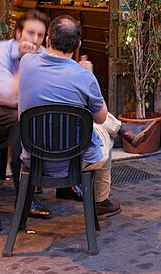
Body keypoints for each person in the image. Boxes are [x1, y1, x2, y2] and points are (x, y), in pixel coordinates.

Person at [17, 15, 122, 219]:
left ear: (47, 41)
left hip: (33, 158)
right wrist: (90, 74)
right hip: (74, 161)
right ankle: (100, 202)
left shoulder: (27, 63)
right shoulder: (85, 77)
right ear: (79, 45)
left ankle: (121, 129)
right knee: (105, 134)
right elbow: (100, 117)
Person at [0, 9, 52, 218]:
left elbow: (48, 89)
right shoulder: (0, 52)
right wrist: (26, 62)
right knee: (22, 123)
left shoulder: (41, 54)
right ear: (17, 33)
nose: (35, 39)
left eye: (40, 35)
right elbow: (6, 94)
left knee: (53, 117)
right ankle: (24, 196)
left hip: (20, 110)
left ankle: (65, 183)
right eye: (30, 33)